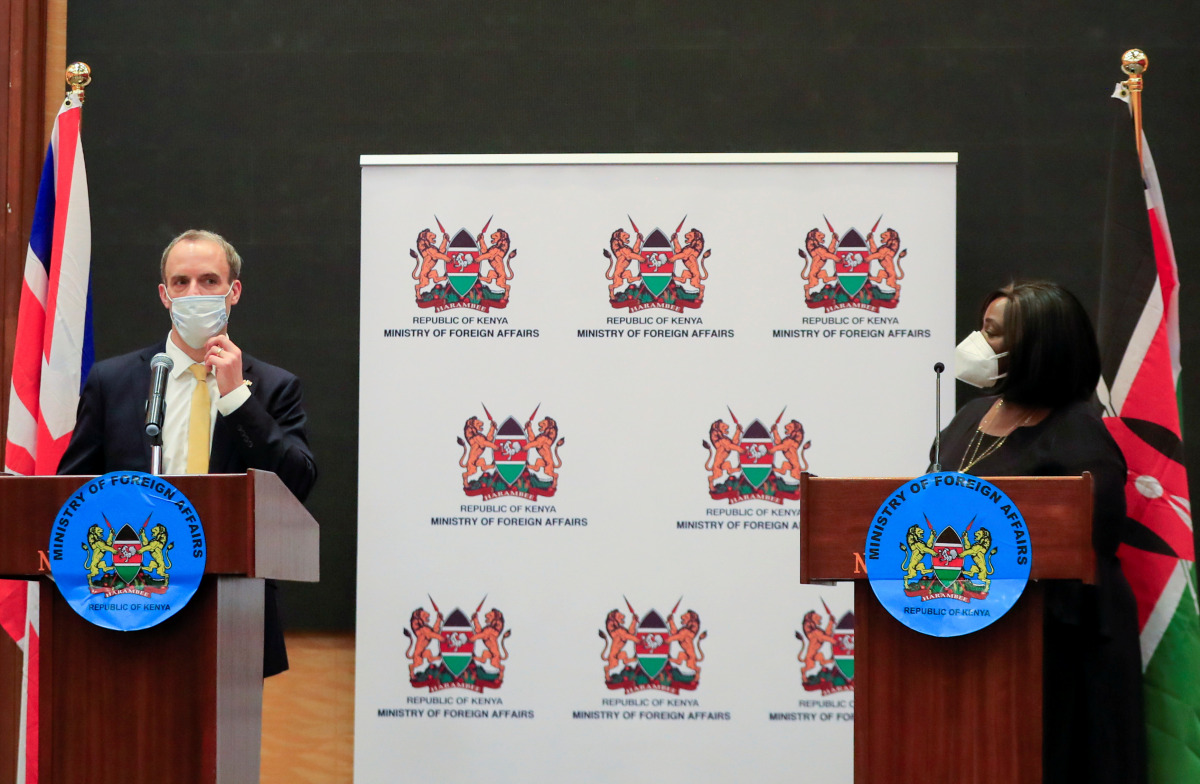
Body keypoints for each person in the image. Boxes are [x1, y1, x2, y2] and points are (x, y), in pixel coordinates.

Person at [57, 229, 317, 677]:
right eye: (181, 283)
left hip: (233, 604)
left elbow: (297, 484)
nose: (194, 293)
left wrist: (238, 400)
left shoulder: (274, 388)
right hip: (127, 598)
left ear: (233, 291)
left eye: (209, 281)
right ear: (164, 295)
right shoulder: (113, 381)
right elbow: (71, 491)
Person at [936, 280, 1145, 783]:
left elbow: (1088, 546)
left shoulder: (1079, 438)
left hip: (1057, 645)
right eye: (982, 328)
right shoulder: (968, 417)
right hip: (969, 631)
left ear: (1038, 349)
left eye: (993, 334)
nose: (977, 345)